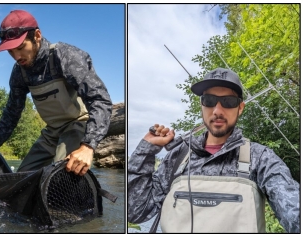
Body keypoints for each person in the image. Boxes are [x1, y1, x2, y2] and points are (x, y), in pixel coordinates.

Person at [127, 68, 300, 233]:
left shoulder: (261, 158)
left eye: (228, 102)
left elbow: (294, 209)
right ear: (201, 105)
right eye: (209, 101)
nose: (217, 110)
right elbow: (136, 211)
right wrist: (145, 150)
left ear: (240, 108)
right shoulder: (177, 157)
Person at [0, 10, 112, 176]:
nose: (17, 56)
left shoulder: (65, 56)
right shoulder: (19, 72)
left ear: (37, 35)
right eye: (11, 51)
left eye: (21, 47)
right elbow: (12, 111)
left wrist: (88, 146)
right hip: (51, 132)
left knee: (60, 175)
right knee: (21, 179)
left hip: (77, 125)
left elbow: (100, 100)